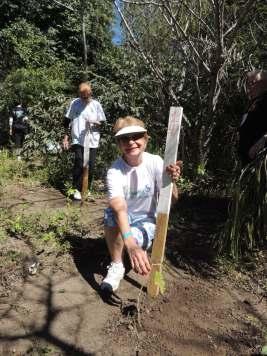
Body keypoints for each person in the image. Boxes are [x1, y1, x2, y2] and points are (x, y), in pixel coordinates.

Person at [101, 116, 182, 292]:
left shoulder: (156, 162)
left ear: (145, 139)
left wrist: (172, 182)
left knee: (132, 239)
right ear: (118, 143)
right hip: (124, 219)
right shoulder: (115, 171)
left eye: (136, 136)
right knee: (110, 213)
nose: (131, 142)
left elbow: (172, 202)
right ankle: (117, 265)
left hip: (147, 221)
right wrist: (131, 245)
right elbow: (119, 208)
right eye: (124, 138)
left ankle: (131, 246)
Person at [62, 82, 106, 200]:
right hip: (77, 138)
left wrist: (95, 122)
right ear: (79, 94)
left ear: (90, 94)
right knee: (79, 161)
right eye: (82, 96)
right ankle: (75, 189)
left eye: (86, 96)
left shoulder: (96, 105)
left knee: (90, 165)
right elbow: (67, 121)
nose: (84, 99)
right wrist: (66, 138)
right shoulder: (75, 103)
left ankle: (86, 188)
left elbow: (102, 123)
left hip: (92, 139)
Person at [239, 70, 267, 166]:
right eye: (247, 83)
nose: (249, 87)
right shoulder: (254, 102)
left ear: (263, 83)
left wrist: (262, 141)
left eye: (252, 83)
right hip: (248, 163)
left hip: (260, 161)